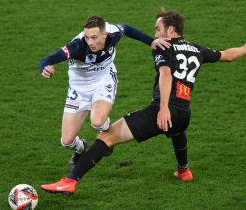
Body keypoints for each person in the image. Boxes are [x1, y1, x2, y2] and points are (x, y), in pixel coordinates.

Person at [40, 9, 246, 196]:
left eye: (158, 29)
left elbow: (166, 74)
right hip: (184, 113)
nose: (155, 34)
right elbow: (227, 55)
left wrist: (163, 107)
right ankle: (184, 171)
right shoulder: (197, 49)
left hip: (161, 111)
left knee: (106, 136)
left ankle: (70, 181)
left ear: (171, 30)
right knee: (176, 129)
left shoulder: (164, 48)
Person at [38, 15, 170, 172]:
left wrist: (151, 41)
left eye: (94, 37)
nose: (90, 42)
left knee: (98, 122)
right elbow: (45, 60)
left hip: (103, 81)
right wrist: (45, 68)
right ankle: (81, 149)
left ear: (104, 34)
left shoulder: (113, 33)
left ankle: (107, 137)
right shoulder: (77, 46)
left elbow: (127, 29)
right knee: (66, 141)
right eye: (87, 37)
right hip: (78, 88)